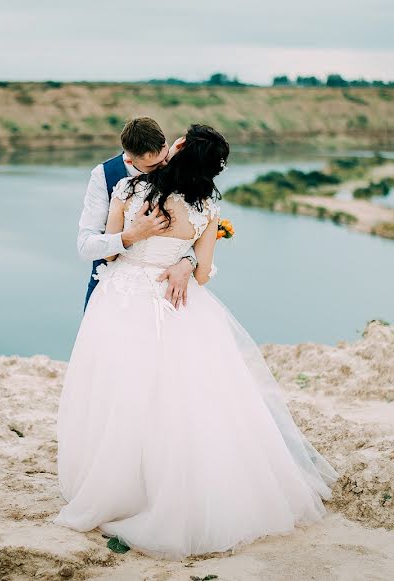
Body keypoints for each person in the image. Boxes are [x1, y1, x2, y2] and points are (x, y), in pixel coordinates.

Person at [55, 124, 340, 559]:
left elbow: (116, 257)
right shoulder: (202, 206)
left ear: (174, 150)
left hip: (127, 297)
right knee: (177, 395)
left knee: (134, 392)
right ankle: (165, 487)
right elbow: (196, 270)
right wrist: (179, 253)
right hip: (176, 307)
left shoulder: (130, 191)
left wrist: (174, 258)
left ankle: (123, 487)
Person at [77, 117, 196, 311]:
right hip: (111, 292)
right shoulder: (103, 176)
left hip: (168, 291)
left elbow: (195, 227)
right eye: (153, 167)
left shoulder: (175, 162)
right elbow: (85, 246)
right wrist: (131, 235)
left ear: (165, 143)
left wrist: (188, 262)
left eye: (165, 157)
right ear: (130, 159)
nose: (164, 167)